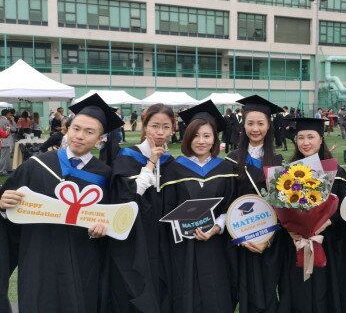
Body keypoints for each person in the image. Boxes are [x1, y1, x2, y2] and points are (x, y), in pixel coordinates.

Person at [0, 93, 124, 312]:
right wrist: (2, 204)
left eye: (89, 132)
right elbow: (9, 206)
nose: (80, 136)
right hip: (39, 255)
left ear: (100, 139)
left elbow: (111, 221)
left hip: (83, 257)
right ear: (67, 128)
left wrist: (102, 230)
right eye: (76, 128)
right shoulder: (37, 165)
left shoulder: (105, 176)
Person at [162, 100, 236, 313]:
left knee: (217, 295)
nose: (201, 141)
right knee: (187, 295)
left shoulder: (226, 168)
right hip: (183, 247)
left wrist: (217, 227)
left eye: (207, 136)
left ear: (215, 139)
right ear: (187, 137)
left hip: (216, 245)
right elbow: (167, 208)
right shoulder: (175, 169)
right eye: (195, 135)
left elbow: (229, 205)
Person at [104, 104, 176, 312]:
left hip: (163, 238)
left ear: (173, 129)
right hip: (136, 237)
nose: (160, 132)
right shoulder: (127, 156)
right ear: (145, 127)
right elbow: (128, 197)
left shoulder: (172, 161)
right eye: (155, 126)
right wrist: (151, 162)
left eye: (166, 127)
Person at [279, 117, 346, 313]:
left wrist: (324, 224)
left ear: (321, 139)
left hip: (327, 242)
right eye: (301, 137)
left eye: (311, 137)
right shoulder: (288, 174)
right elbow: (282, 208)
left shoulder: (336, 172)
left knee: (325, 292)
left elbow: (344, 208)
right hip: (296, 243)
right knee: (299, 293)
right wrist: (292, 229)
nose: (305, 142)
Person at [225, 95, 285, 313]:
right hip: (241, 240)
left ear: (269, 126)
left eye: (260, 123)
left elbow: (284, 207)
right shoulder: (232, 160)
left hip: (270, 240)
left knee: (269, 289)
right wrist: (241, 234)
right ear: (243, 125)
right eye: (250, 123)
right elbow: (227, 202)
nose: (255, 128)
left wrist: (267, 240)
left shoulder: (279, 162)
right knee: (245, 289)